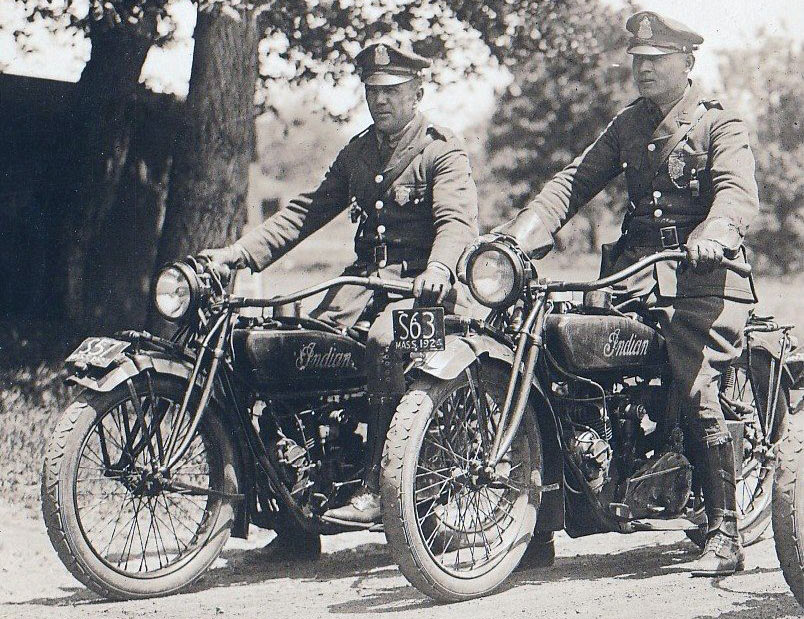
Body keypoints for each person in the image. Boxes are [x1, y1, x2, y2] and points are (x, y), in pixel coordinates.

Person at [462, 11, 759, 576]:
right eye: (638, 61)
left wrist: (714, 233)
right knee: (556, 353)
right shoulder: (628, 125)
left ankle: (725, 530)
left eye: (656, 60)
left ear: (687, 62)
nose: (643, 69)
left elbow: (737, 195)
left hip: (703, 278)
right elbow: (572, 183)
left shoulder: (720, 123)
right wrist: (518, 239)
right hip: (635, 276)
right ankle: (538, 524)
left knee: (694, 382)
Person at [202, 41, 480, 533]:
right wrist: (238, 254)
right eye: (373, 91)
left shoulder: (442, 150)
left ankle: (380, 486)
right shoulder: (360, 151)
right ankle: (297, 515)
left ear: (418, 91)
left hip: (427, 293)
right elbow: (305, 212)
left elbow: (456, 222)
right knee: (297, 351)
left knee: (385, 343)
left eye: (392, 90)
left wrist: (439, 268)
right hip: (362, 284)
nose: (381, 100)